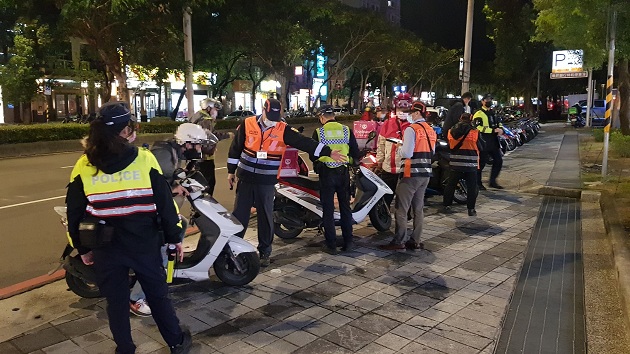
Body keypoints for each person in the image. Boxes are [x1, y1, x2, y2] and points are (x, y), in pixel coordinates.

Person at [65, 102, 192, 354]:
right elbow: (166, 205)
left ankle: (125, 349)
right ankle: (176, 342)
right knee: (158, 296)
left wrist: (80, 248)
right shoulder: (144, 159)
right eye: (131, 127)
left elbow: (74, 212)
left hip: (105, 246)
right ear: (124, 131)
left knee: (116, 302)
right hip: (143, 243)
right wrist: (175, 237)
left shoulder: (84, 165)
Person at [227, 98, 346, 267]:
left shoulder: (283, 129)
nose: (273, 120)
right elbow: (235, 148)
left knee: (266, 217)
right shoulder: (247, 124)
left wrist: (327, 151)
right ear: (263, 110)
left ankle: (265, 252)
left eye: (276, 116)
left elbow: (306, 143)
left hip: (266, 181)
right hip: (245, 179)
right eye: (270, 116)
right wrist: (231, 171)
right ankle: (232, 250)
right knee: (239, 216)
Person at [379, 101, 436, 251]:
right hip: (425, 173)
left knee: (401, 208)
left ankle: (399, 240)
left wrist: (399, 148)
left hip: (411, 174)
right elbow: (432, 152)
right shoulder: (431, 130)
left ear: (417, 113)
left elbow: (407, 153)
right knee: (418, 208)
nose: (409, 115)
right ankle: (415, 240)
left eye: (411, 113)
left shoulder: (412, 129)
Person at [310, 105, 360, 254]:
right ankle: (348, 242)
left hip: (326, 174)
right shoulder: (346, 130)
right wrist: (346, 160)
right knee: (345, 208)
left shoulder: (319, 132)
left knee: (328, 209)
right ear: (333, 116)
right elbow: (355, 153)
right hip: (343, 173)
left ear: (322, 117)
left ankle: (331, 245)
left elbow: (313, 155)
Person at [373, 93, 412, 210]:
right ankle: (382, 216)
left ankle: (405, 218)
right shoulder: (388, 123)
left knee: (405, 198)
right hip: (388, 167)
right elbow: (381, 144)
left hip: (406, 169)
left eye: (405, 108)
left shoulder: (413, 125)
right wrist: (379, 161)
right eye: (400, 108)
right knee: (385, 196)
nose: (402, 111)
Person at [441, 113, 485, 216]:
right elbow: (482, 147)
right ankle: (471, 209)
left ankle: (446, 206)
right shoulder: (475, 132)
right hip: (470, 165)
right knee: (471, 187)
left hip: (455, 164)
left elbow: (449, 145)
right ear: (471, 120)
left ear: (460, 119)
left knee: (450, 185)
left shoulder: (450, 132)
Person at [189, 98, 234, 196]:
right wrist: (227, 135)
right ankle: (203, 209)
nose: (216, 112)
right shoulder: (205, 120)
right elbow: (210, 136)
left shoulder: (196, 117)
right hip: (205, 158)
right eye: (215, 109)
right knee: (208, 184)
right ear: (208, 108)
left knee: (200, 184)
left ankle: (197, 209)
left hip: (196, 156)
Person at [474, 93, 504, 190]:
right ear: (482, 101)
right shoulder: (478, 113)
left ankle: (492, 181)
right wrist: (492, 130)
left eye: (490, 99)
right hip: (483, 141)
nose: (488, 101)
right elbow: (477, 127)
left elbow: (499, 122)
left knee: (498, 160)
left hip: (494, 141)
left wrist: (501, 129)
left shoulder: (493, 112)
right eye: (486, 99)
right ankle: (478, 183)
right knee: (481, 163)